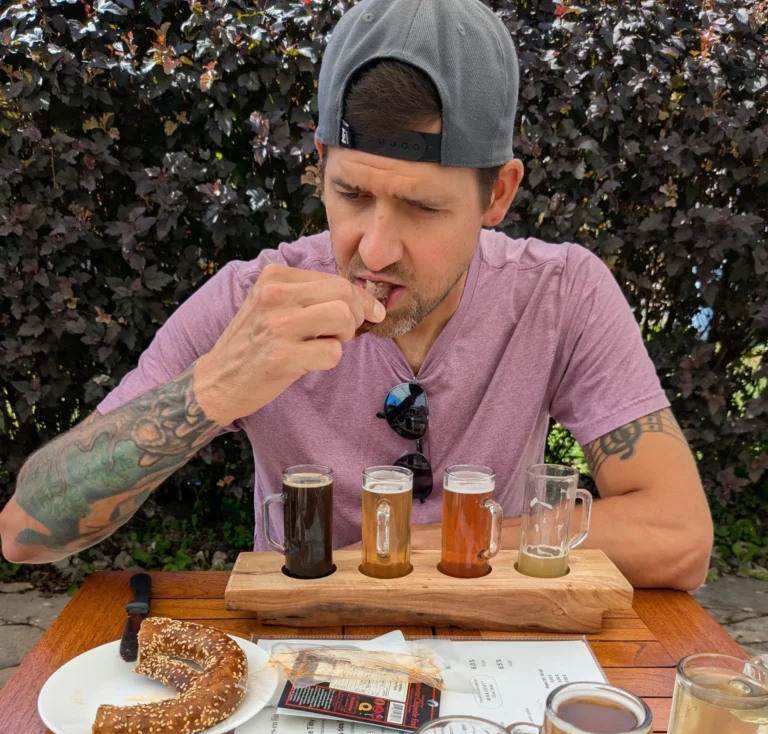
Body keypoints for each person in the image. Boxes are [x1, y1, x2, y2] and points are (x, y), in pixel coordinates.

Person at [0, 0, 712, 589]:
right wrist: (213, 387)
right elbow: (27, 530)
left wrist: (400, 554)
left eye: (423, 208)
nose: (373, 250)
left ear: (497, 194)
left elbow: (678, 536)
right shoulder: (256, 300)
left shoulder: (560, 292)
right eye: (351, 194)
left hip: (499, 662)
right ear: (319, 166)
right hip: (299, 670)